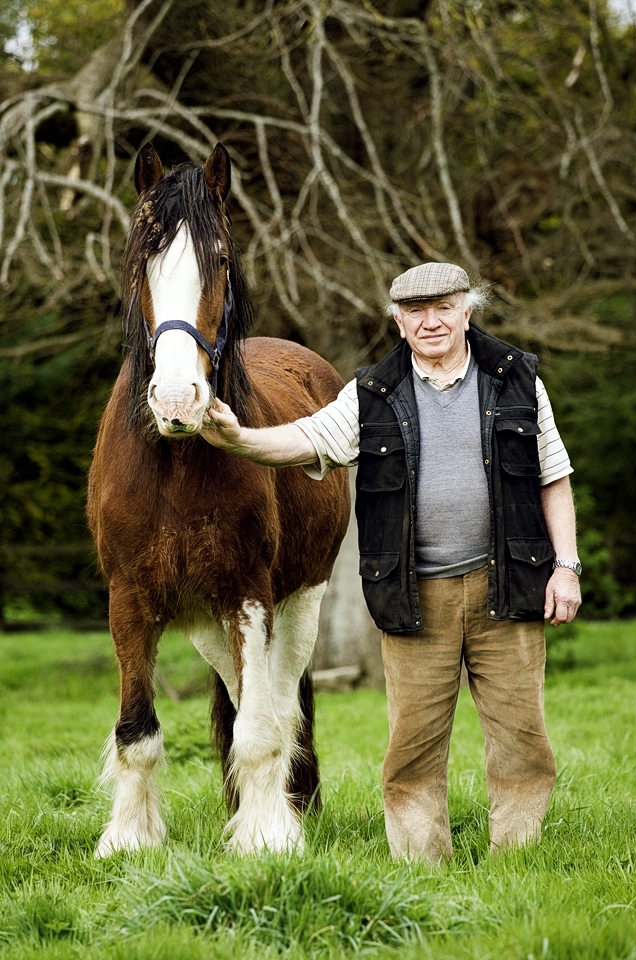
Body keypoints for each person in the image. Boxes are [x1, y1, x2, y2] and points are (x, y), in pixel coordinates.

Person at [202, 262, 581, 862]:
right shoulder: (372, 392)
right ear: (399, 322)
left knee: (522, 739)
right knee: (412, 747)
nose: (431, 321)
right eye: (415, 312)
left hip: (508, 584)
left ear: (466, 312)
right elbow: (305, 439)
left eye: (443, 308)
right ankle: (422, 864)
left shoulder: (516, 379)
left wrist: (566, 566)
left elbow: (553, 477)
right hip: (414, 594)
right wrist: (236, 438)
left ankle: (519, 856)